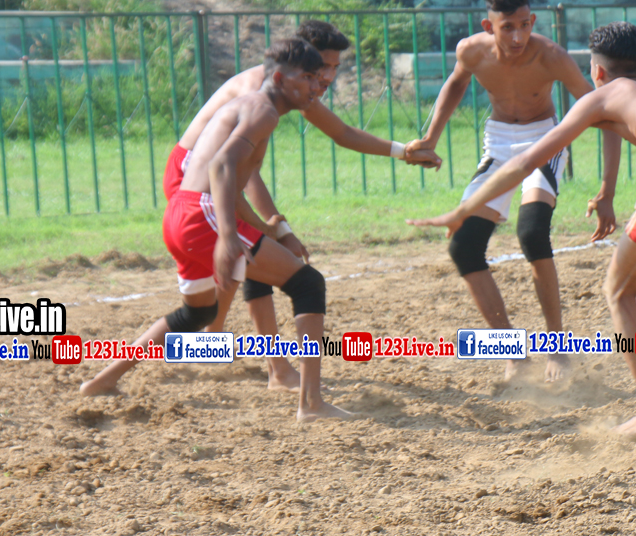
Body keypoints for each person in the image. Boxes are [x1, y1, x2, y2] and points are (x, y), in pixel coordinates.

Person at [410, 21, 636, 451]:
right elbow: (630, 133)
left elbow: (525, 163)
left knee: (619, 293)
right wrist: (607, 192)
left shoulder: (601, 96)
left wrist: (464, 209)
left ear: (597, 71)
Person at [82, 39, 353, 422]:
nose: (317, 85)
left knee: (197, 314)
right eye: (308, 77)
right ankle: (311, 404)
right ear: (279, 79)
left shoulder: (253, 107)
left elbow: (230, 181)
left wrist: (264, 229)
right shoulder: (263, 110)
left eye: (318, 77)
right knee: (308, 284)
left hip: (180, 213)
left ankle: (102, 380)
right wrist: (228, 238)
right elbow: (222, 167)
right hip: (201, 215)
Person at [165, 20, 441, 392]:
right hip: (192, 179)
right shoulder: (261, 92)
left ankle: (216, 346)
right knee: (253, 255)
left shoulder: (293, 87)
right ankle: (268, 366)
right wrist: (277, 227)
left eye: (334, 68)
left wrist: (402, 151)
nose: (327, 78)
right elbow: (239, 174)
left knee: (247, 261)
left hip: (215, 180)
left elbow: (341, 132)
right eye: (321, 67)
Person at [405, 0, 620, 383]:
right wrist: (430, 138)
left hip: (544, 140)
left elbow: (603, 114)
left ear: (533, 20)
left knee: (532, 233)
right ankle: (512, 353)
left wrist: (607, 189)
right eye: (508, 28)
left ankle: (557, 348)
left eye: (524, 25)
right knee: (464, 247)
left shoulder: (552, 56)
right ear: (489, 27)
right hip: (500, 145)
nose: (518, 37)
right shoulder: (471, 51)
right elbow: (456, 83)